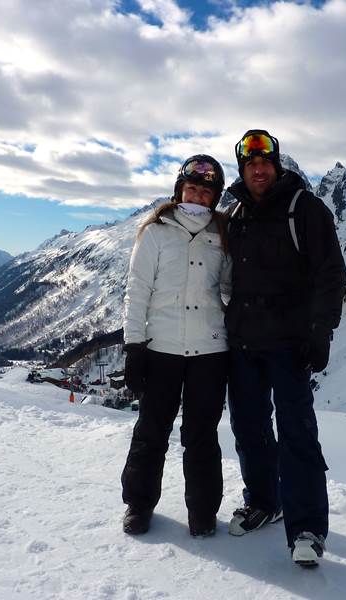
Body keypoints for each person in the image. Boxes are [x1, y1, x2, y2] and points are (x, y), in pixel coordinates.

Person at [223, 129, 346, 567]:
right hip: (243, 344)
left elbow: (331, 272)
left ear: (276, 167)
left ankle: (308, 527)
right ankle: (264, 501)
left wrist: (321, 329)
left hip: (289, 344)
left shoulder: (305, 209)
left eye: (265, 163)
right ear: (243, 170)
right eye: (250, 164)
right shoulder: (235, 214)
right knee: (249, 429)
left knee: (297, 433)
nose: (258, 170)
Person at [120, 154, 231, 538]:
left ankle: (202, 512)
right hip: (161, 349)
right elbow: (137, 291)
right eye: (192, 188)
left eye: (206, 192)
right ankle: (138, 505)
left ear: (214, 197)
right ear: (179, 190)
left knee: (202, 436)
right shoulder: (155, 232)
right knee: (151, 432)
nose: (197, 197)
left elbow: (230, 289)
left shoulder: (224, 233)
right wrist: (134, 346)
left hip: (210, 352)